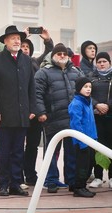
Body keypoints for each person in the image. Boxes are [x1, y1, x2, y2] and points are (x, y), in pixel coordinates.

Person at [0, 25, 36, 197]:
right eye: (13, 38)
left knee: (18, 151)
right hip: (5, 115)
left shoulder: (27, 60)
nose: (17, 41)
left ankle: (16, 183)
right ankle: (3, 183)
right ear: (5, 41)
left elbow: (32, 86)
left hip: (23, 114)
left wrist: (32, 108)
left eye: (19, 39)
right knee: (5, 151)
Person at [35, 43, 83, 193]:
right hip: (52, 118)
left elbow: (85, 92)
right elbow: (37, 94)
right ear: (53, 55)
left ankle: (71, 181)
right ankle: (51, 180)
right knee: (51, 151)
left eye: (64, 54)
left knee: (72, 152)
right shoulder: (43, 72)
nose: (62, 56)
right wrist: (41, 112)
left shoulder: (76, 72)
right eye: (59, 53)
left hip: (72, 119)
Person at [21, 27, 54, 186]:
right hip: (20, 111)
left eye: (27, 47)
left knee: (33, 145)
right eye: (22, 46)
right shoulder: (11, 62)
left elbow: (50, 51)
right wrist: (23, 36)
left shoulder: (34, 62)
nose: (24, 49)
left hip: (34, 111)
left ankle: (30, 174)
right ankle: (17, 176)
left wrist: (47, 39)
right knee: (18, 146)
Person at [68, 77, 97, 197]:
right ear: (79, 88)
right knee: (82, 165)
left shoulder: (88, 101)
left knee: (89, 163)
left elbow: (91, 121)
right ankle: (79, 187)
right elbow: (76, 124)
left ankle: (80, 185)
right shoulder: (76, 103)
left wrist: (94, 137)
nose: (88, 89)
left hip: (90, 139)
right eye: (85, 87)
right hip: (82, 141)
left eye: (90, 87)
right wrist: (82, 142)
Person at [88, 52, 112, 189]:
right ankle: (98, 176)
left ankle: (111, 177)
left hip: (110, 117)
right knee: (97, 146)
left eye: (104, 61)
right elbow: (86, 93)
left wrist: (108, 106)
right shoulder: (91, 78)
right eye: (99, 62)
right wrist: (97, 104)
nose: (102, 64)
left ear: (109, 62)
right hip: (96, 117)